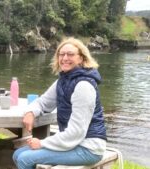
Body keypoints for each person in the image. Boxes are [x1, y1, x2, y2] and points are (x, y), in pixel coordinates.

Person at [13, 37, 107, 169]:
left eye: (70, 54)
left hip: (88, 148)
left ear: (81, 58)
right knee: (17, 154)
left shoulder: (83, 86)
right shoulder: (63, 81)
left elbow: (76, 132)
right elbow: (43, 102)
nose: (65, 58)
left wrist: (42, 143)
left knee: (25, 159)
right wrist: (30, 112)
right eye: (61, 54)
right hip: (73, 143)